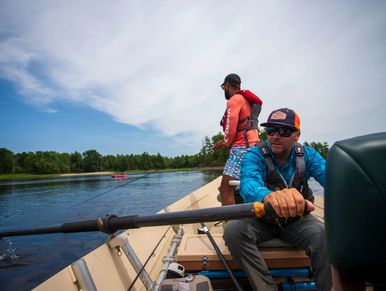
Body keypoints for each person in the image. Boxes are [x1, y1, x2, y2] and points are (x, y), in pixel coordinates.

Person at [223, 108, 332, 291]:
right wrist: (268, 196)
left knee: (324, 235)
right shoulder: (255, 154)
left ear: (297, 135)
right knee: (233, 230)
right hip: (261, 220)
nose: (275, 136)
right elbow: (248, 181)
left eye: (283, 131)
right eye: (271, 130)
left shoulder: (309, 155)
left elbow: (334, 181)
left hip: (297, 221)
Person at [213, 73, 263, 205]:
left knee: (225, 190)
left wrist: (225, 142)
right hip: (255, 146)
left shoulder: (233, 100)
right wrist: (223, 142)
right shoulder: (247, 100)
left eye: (223, 87)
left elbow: (231, 129)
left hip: (241, 149)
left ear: (227, 85)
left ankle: (231, 225)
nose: (224, 90)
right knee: (248, 185)